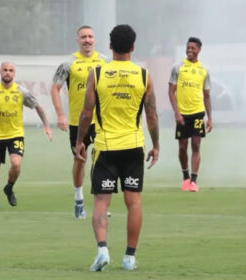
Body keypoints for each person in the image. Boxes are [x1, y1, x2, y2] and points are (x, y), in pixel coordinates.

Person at [75, 24, 159, 271]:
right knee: (133, 202)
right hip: (134, 146)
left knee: (102, 201)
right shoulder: (144, 75)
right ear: (133, 47)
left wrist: (80, 141)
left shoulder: (97, 74)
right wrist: (156, 145)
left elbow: (86, 113)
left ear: (109, 46)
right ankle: (129, 257)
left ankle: (102, 250)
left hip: (105, 147)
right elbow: (152, 115)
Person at [0, 62, 52, 208]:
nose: (7, 73)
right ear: (0, 72)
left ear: (14, 73)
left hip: (15, 134)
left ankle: (9, 187)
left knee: (16, 164)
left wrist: (46, 126)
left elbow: (38, 107)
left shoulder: (21, 92)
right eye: (5, 70)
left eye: (11, 70)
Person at [51, 25, 106, 219]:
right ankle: (78, 200)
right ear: (77, 40)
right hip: (77, 121)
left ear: (95, 39)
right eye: (83, 37)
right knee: (80, 160)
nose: (87, 40)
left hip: (100, 121)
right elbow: (54, 89)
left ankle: (101, 204)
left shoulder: (104, 62)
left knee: (102, 161)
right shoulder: (69, 64)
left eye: (90, 36)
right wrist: (60, 115)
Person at [168, 37, 212, 192]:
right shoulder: (177, 67)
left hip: (198, 113)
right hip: (182, 115)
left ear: (199, 50)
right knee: (182, 147)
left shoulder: (203, 70)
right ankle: (185, 177)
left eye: (193, 48)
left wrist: (210, 118)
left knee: (196, 145)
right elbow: (171, 92)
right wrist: (176, 113)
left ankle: (193, 181)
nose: (189, 50)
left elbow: (206, 96)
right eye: (188, 47)